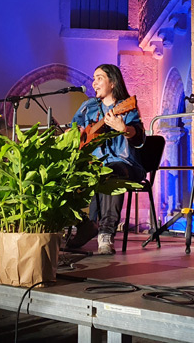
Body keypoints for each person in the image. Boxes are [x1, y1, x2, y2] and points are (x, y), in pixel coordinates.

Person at [68, 64, 146, 255]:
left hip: (123, 163)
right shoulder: (88, 107)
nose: (94, 83)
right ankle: (86, 225)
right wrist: (77, 133)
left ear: (113, 82)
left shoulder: (125, 107)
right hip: (93, 163)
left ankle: (105, 233)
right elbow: (74, 129)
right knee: (65, 175)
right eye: (94, 78)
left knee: (109, 171)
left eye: (100, 78)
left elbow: (139, 138)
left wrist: (125, 129)